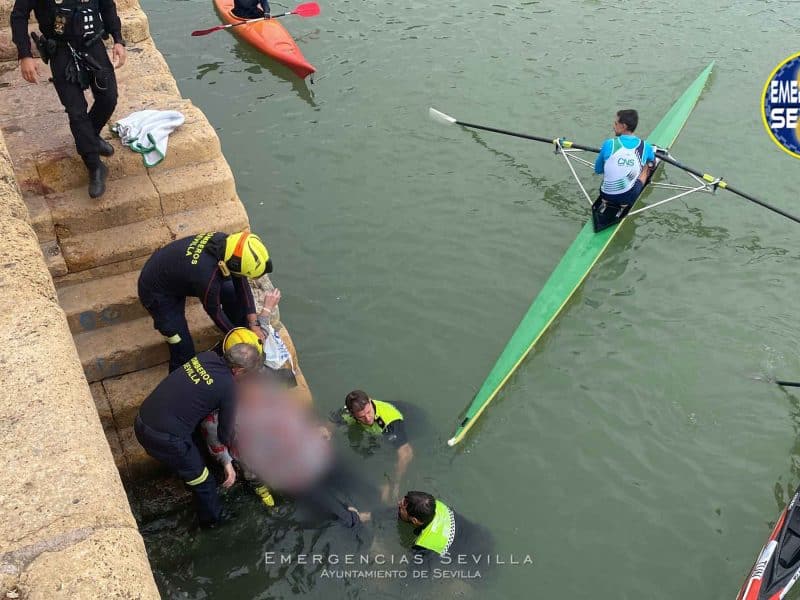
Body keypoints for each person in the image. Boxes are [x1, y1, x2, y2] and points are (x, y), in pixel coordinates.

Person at [133, 344, 261, 526]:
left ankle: (189, 473)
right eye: (247, 373)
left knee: (194, 444)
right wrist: (230, 459)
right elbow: (225, 434)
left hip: (142, 420)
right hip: (164, 439)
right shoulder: (228, 387)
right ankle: (213, 524)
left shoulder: (205, 357)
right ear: (239, 370)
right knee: (205, 484)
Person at [10, 0, 126, 199]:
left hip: (93, 44)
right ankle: (94, 165)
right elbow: (18, 16)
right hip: (61, 51)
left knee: (108, 97)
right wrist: (25, 55)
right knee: (76, 110)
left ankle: (91, 137)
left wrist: (117, 39)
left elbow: (107, 5)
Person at [137, 230, 272, 372]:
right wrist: (238, 336)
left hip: (177, 272)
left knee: (232, 293)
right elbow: (214, 311)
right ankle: (180, 376)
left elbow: (241, 282)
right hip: (157, 292)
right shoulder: (207, 277)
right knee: (181, 345)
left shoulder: (229, 245)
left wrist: (253, 323)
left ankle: (237, 335)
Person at [332, 390, 414, 503]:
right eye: (362, 417)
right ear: (352, 413)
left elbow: (406, 453)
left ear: (370, 401)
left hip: (412, 422)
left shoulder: (389, 421)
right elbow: (331, 424)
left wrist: (394, 483)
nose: (368, 418)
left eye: (369, 412)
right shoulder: (346, 413)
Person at [592, 109, 656, 231]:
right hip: (627, 198)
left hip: (605, 195)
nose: (613, 126)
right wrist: (648, 164)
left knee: (609, 163)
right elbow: (652, 161)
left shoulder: (608, 144)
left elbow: (598, 170)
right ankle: (623, 203)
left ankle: (607, 200)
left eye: (616, 123)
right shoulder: (645, 146)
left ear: (623, 126)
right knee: (647, 166)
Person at [397, 491, 491, 564]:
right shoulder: (432, 505)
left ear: (414, 521)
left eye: (401, 508)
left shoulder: (425, 547)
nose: (398, 503)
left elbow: (414, 579)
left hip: (478, 560)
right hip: (482, 536)